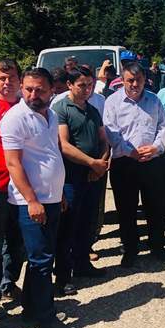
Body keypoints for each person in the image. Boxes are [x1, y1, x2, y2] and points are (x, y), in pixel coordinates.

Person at [0, 67, 81, 328]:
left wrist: (58, 194)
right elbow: (13, 163)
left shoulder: (51, 114)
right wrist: (33, 200)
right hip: (29, 203)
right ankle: (47, 321)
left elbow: (51, 154)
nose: (33, 94)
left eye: (40, 90)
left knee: (41, 258)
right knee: (42, 261)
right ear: (22, 87)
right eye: (28, 89)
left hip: (51, 199)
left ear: (51, 90)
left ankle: (31, 309)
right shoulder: (15, 118)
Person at [103, 62, 165, 268]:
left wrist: (156, 148)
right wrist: (128, 151)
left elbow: (163, 126)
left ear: (144, 80)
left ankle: (157, 246)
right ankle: (131, 249)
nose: (134, 84)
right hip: (125, 163)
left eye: (138, 80)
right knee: (126, 208)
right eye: (130, 80)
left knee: (154, 206)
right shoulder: (112, 102)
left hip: (151, 161)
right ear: (122, 80)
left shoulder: (154, 99)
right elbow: (111, 132)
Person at [52, 66, 108, 296]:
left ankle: (83, 264)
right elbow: (63, 145)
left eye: (90, 85)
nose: (86, 89)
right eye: (81, 85)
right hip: (71, 176)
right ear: (70, 85)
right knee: (68, 226)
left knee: (87, 221)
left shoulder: (93, 110)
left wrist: (102, 163)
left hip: (93, 175)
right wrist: (91, 163)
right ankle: (63, 276)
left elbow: (104, 139)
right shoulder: (61, 109)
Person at [0, 59, 24, 320]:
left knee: (18, 242)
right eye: (2, 78)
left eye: (11, 78)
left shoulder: (27, 105)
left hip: (23, 187)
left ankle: (8, 284)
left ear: (19, 80)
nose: (7, 83)